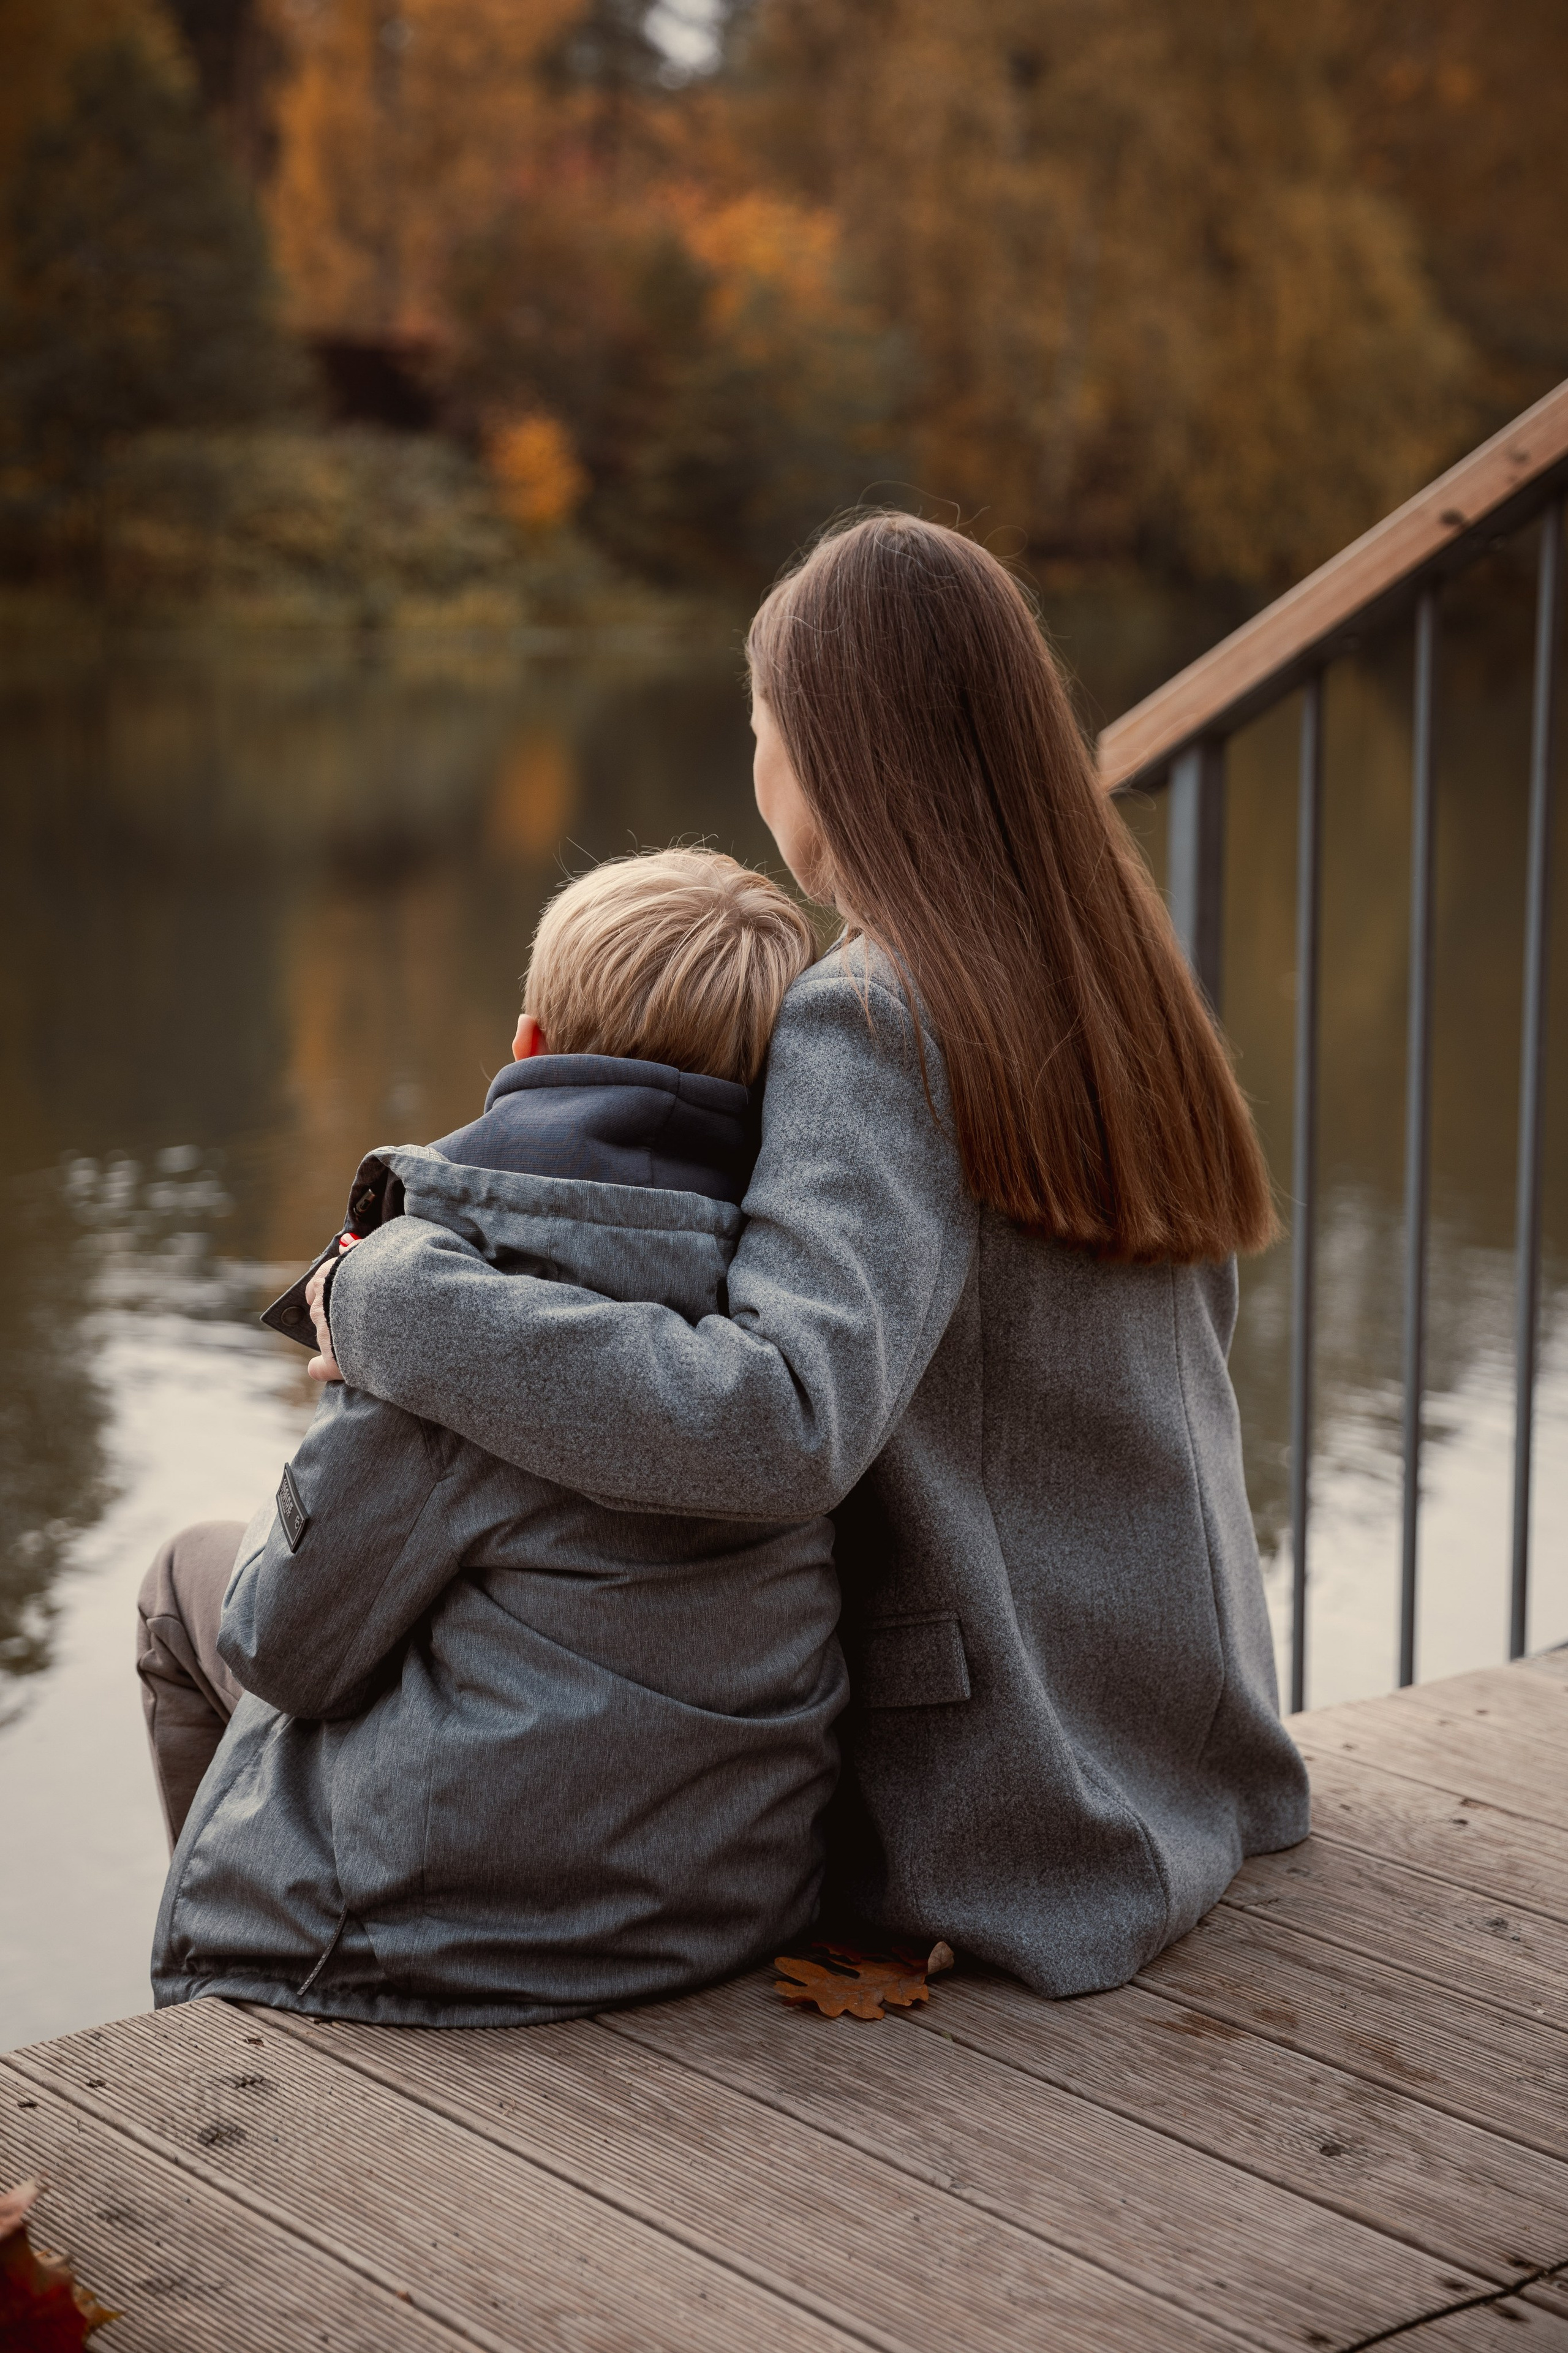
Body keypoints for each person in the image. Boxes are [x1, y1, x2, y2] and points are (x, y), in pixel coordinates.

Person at [307, 514, 1311, 2000]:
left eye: (762, 729)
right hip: (1177, 1746)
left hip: (1008, 1811)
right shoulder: (1112, 969)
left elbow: (778, 1420)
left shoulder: (874, 1013)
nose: (757, 769)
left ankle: (271, 2021)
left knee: (242, 1619)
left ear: (832, 757)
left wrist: (385, 1299)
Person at [141, 848, 850, 2026]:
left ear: (529, 1046)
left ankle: (229, 2011)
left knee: (186, 1587)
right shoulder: (797, 1295)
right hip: (732, 1896)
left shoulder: (472, 1302)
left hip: (469, 1935)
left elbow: (284, 1648)